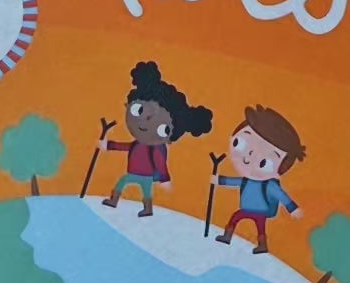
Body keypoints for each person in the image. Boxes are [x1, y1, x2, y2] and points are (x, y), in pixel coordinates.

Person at [100, 60, 212, 218]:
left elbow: (159, 161)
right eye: (138, 110)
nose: (144, 123)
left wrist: (164, 178)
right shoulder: (140, 143)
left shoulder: (155, 148)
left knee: (142, 190)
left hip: (146, 174)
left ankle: (145, 208)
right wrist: (109, 145)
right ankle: (117, 201)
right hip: (134, 171)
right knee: (125, 182)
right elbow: (127, 147)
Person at [213, 105, 305, 253]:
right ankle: (227, 236)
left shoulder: (268, 185)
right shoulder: (246, 180)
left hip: (260, 211)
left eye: (264, 162)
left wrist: (292, 208)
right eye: (239, 143)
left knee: (260, 228)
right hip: (245, 208)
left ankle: (262, 245)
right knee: (235, 218)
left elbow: (281, 195)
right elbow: (234, 181)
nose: (248, 158)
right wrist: (219, 180)